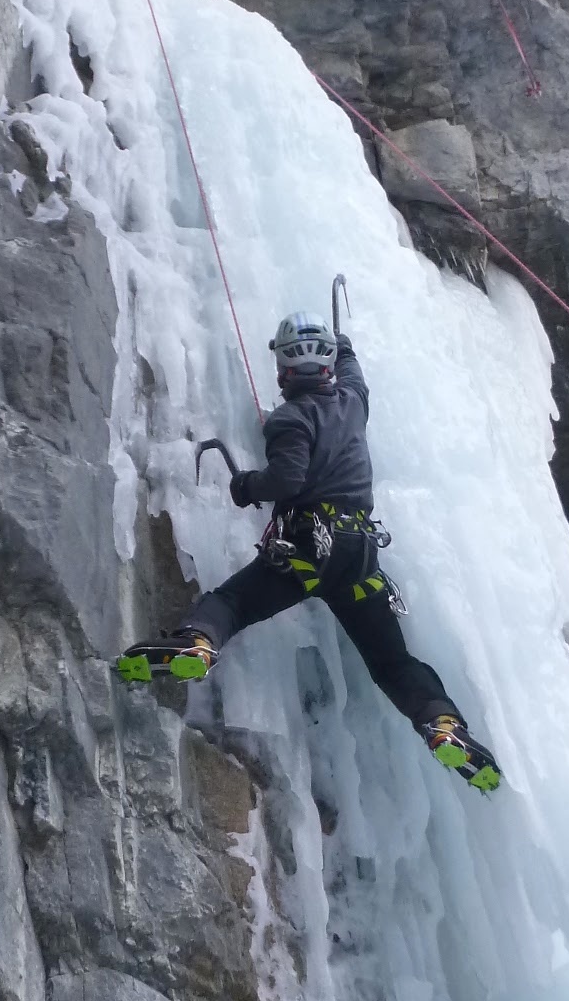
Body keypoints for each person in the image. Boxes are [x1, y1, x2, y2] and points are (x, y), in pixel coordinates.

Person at [117, 313, 504, 794]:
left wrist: (245, 486)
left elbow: (287, 480)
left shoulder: (289, 419)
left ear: (282, 370)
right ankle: (442, 725)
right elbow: (354, 372)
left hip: (308, 551)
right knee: (393, 663)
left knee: (232, 602)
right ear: (329, 366)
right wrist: (345, 344)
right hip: (359, 561)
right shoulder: (354, 401)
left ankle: (198, 643)